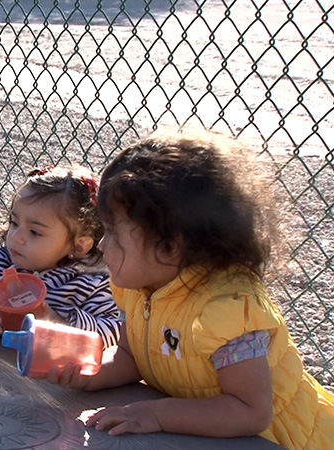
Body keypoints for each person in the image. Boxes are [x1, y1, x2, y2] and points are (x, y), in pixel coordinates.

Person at [40, 129, 334, 448]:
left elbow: (250, 411)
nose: (101, 244)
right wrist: (91, 373)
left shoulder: (226, 312)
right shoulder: (143, 289)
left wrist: (156, 414)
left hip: (282, 440)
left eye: (113, 233)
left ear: (171, 248)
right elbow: (131, 354)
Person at [0, 164, 122, 348]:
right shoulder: (2, 261)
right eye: (14, 222)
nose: (16, 237)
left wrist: (55, 321)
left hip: (47, 374)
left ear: (79, 245)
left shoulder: (90, 285)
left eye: (35, 232)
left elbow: (114, 335)